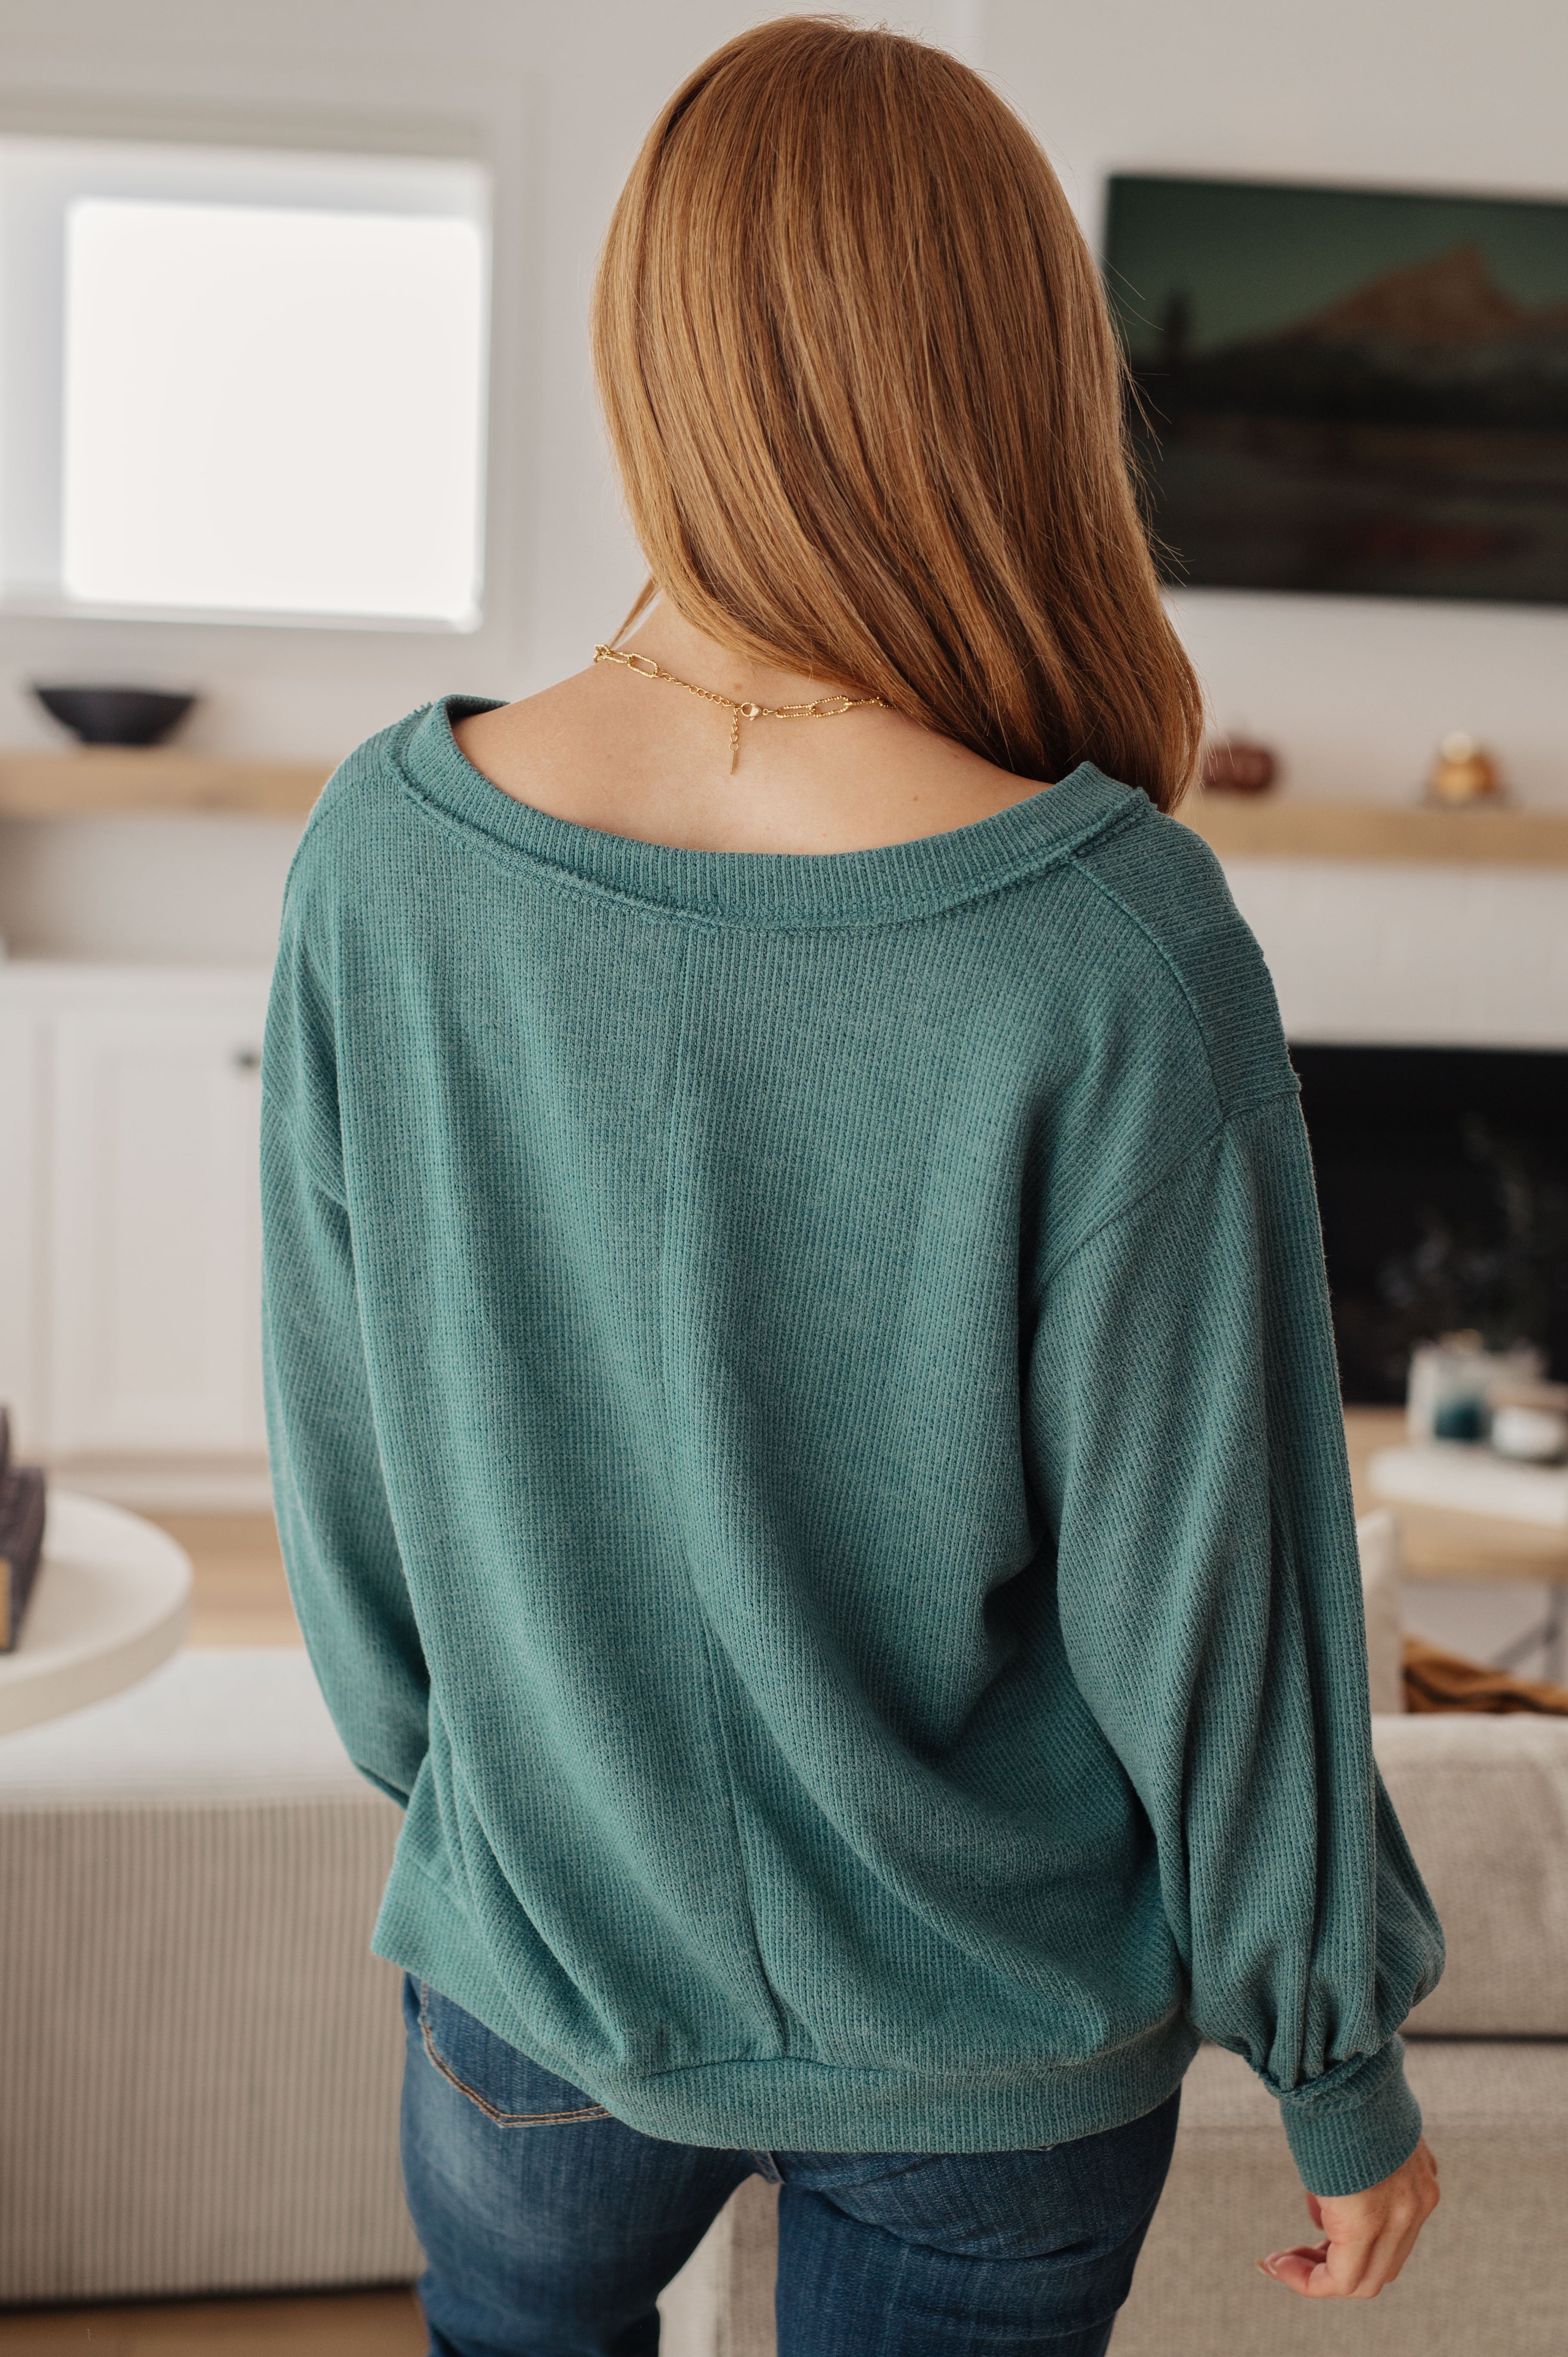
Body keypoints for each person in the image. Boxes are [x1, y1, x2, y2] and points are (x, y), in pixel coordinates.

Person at [260, 19, 1444, 2355]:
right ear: (1021, 374)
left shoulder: (385, 865)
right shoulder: (1113, 941)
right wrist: (1337, 2062)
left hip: (539, 1971)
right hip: (991, 2040)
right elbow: (1217, 1584)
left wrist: (478, 1789)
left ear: (652, 351)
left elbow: (350, 1446)